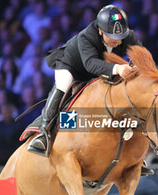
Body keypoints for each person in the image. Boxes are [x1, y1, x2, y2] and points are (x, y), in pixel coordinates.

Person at [28, 5, 141, 154]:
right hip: (72, 67)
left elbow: (139, 54)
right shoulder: (86, 36)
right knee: (63, 85)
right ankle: (44, 133)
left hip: (100, 70)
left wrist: (137, 67)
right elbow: (90, 64)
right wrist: (118, 68)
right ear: (100, 30)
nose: (116, 41)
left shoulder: (127, 35)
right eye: (111, 36)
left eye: (119, 37)